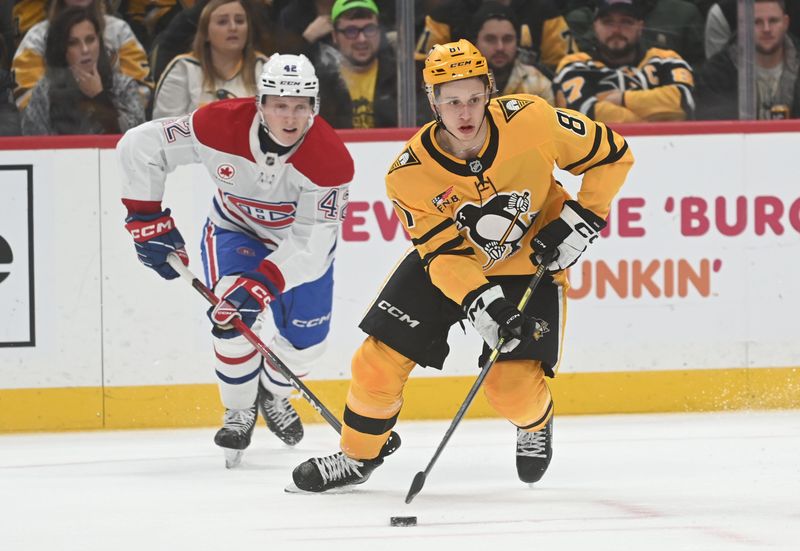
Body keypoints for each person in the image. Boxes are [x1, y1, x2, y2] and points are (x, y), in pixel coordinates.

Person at [289, 39, 633, 493]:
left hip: (529, 259)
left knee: (509, 389)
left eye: (473, 98)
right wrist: (483, 302)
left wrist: (583, 218)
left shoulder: (533, 119)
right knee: (376, 362)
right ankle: (358, 455)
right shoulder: (407, 173)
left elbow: (613, 154)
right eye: (451, 102)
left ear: (489, 91)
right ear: (432, 100)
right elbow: (442, 254)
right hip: (450, 266)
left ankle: (535, 423)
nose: (465, 113)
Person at [118, 54, 354, 467]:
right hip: (235, 232)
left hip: (296, 252)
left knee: (307, 343)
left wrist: (262, 283)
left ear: (315, 108)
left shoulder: (331, 160)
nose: (290, 116)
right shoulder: (217, 124)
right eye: (279, 104)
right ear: (260, 103)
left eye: (301, 106)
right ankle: (240, 407)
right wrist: (146, 217)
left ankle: (275, 394)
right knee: (231, 316)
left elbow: (312, 248)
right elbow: (140, 144)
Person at [552, 0, 695, 123]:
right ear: (595, 26)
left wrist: (622, 99)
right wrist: (650, 125)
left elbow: (683, 102)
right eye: (608, 22)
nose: (616, 30)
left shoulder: (666, 60)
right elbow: (582, 115)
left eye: (626, 22)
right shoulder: (574, 66)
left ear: (640, 26)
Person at [21, 7, 145, 135]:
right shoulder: (45, 90)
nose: (85, 49)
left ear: (99, 42)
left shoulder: (123, 86)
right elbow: (35, 146)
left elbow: (136, 138)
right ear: (62, 49)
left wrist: (100, 98)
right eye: (73, 43)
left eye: (90, 40)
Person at [313, 0, 428, 128]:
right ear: (335, 36)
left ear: (379, 30)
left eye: (369, 29)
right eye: (351, 31)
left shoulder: (405, 77)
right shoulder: (319, 83)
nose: (362, 39)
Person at [153, 0, 269, 118]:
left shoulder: (265, 68)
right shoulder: (184, 69)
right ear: (206, 33)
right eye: (222, 22)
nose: (233, 28)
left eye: (239, 21)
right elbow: (165, 129)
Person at [697, 0, 799, 119]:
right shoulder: (716, 74)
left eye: (773, 21)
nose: (766, 29)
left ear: (786, 23)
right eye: (757, 22)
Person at [415, 0, 578, 72]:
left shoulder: (544, 11)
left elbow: (569, 68)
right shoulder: (446, 14)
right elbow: (423, 67)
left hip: (529, 98)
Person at [472, 1, 554, 104]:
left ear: (517, 42)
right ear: (475, 43)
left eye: (507, 39)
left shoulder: (539, 84)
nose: (500, 47)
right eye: (490, 39)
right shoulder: (459, 84)